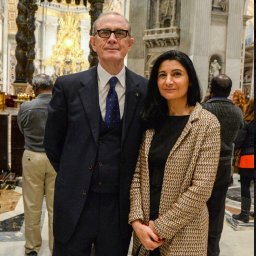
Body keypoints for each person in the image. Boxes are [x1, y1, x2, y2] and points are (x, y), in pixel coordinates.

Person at [44, 12, 147, 256]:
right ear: (93, 41)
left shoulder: (144, 89)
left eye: (120, 33)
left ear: (129, 43)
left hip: (118, 206)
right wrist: (75, 172)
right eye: (104, 32)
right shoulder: (68, 86)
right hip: (75, 201)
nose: (112, 38)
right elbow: (53, 143)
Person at [129, 50, 221, 256]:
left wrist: (158, 228)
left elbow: (201, 188)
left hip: (183, 233)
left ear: (190, 79)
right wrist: (136, 221)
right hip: (144, 231)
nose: (168, 81)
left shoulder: (206, 124)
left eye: (176, 74)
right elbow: (137, 175)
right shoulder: (151, 121)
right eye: (162, 75)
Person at [202, 74, 244, 256]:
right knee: (218, 210)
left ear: (211, 89)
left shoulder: (205, 109)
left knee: (199, 207)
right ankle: (213, 249)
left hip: (205, 164)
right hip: (225, 165)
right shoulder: (237, 112)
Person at [17, 74, 56, 256]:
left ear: (34, 88)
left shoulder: (26, 107)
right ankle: (57, 248)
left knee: (32, 205)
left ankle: (32, 248)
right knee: (55, 207)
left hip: (32, 156)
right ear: (51, 87)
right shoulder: (59, 107)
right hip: (55, 158)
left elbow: (21, 129)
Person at [232, 98, 255, 222]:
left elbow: (239, 141)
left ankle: (245, 214)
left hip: (248, 157)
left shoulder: (247, 123)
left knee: (245, 186)